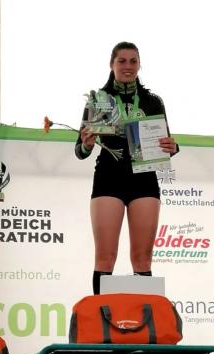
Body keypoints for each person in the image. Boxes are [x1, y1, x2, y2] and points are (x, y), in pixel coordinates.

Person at [75, 41, 179, 295]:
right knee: (105, 258)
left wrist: (172, 147)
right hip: (108, 177)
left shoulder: (152, 101)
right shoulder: (98, 100)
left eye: (133, 61)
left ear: (140, 65)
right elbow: (79, 151)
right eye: (122, 61)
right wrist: (87, 144)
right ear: (111, 64)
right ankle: (101, 316)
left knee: (142, 259)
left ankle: (142, 317)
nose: (128, 66)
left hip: (144, 179)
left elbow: (165, 143)